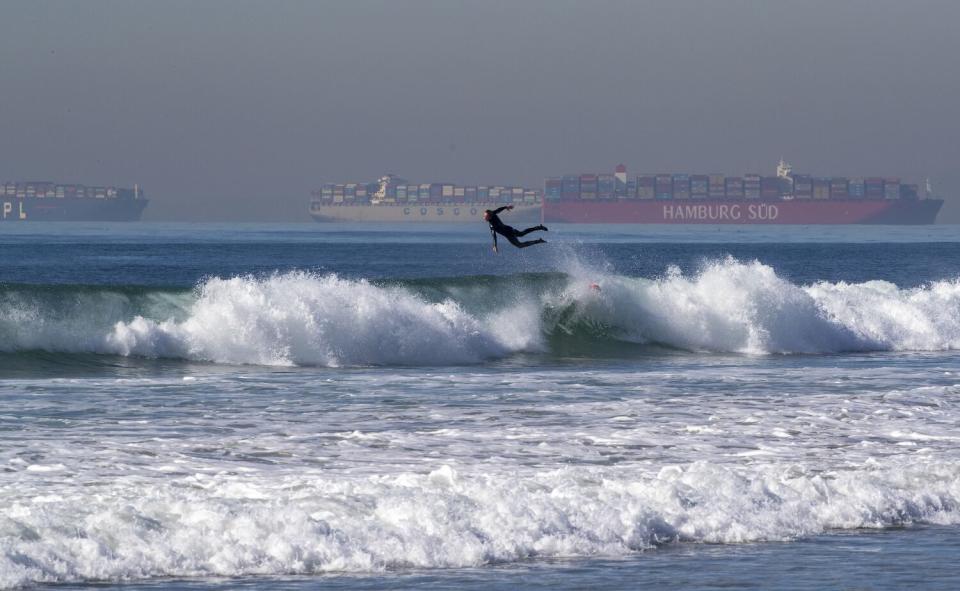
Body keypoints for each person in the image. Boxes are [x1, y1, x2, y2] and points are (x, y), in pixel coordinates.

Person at [483, 205, 548, 252]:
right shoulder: (493, 214)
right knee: (522, 233)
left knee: (520, 245)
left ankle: (539, 241)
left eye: (486, 217)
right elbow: (498, 210)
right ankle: (539, 227)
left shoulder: (492, 225)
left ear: (490, 217)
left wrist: (495, 246)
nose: (484, 218)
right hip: (510, 229)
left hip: (509, 234)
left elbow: (494, 235)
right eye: (484, 216)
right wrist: (506, 207)